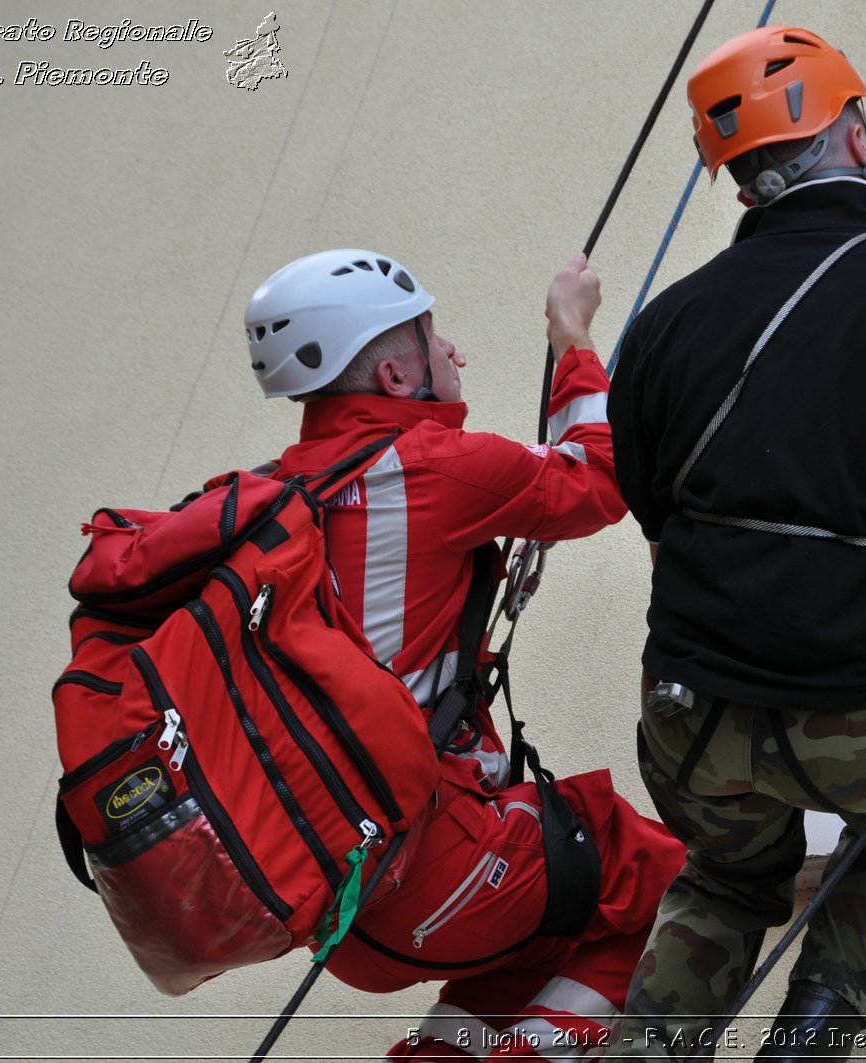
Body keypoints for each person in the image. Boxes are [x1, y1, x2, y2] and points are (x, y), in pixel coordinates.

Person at [605, 26, 866, 1061]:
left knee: (721, 875)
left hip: (690, 712)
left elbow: (667, 539)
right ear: (850, 136)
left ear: (741, 178)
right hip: (862, 702)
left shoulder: (661, 328)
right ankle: (809, 1039)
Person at [243, 247, 685, 1060]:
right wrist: (572, 333)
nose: (453, 351)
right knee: (664, 883)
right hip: (439, 863)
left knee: (542, 946)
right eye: (430, 336)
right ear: (392, 373)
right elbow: (601, 474)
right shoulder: (435, 468)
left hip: (340, 910)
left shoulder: (267, 501)